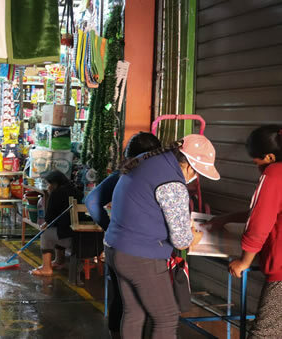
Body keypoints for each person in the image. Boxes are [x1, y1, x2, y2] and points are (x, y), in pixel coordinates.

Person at [104, 134, 216, 338]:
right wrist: (194, 237)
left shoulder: (148, 160)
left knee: (134, 312)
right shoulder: (172, 183)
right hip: (141, 257)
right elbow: (182, 241)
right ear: (190, 166)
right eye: (198, 172)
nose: (196, 177)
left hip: (115, 248)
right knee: (166, 317)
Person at [84, 132, 161, 339]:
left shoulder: (122, 175)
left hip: (116, 245)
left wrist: (108, 226)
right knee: (149, 304)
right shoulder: (160, 177)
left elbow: (92, 202)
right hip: (147, 249)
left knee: (121, 298)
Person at [226, 125, 282, 338]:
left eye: (255, 159)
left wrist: (244, 262)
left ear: (269, 156)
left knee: (264, 334)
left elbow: (260, 223)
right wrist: (227, 218)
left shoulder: (275, 173)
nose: (254, 164)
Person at [31, 170, 83, 277]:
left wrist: (50, 196)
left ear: (55, 183)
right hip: (83, 237)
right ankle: (59, 261)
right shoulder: (77, 191)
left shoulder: (56, 193)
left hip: (71, 240)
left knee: (45, 233)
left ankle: (46, 268)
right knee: (58, 230)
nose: (48, 186)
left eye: (49, 184)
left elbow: (49, 218)